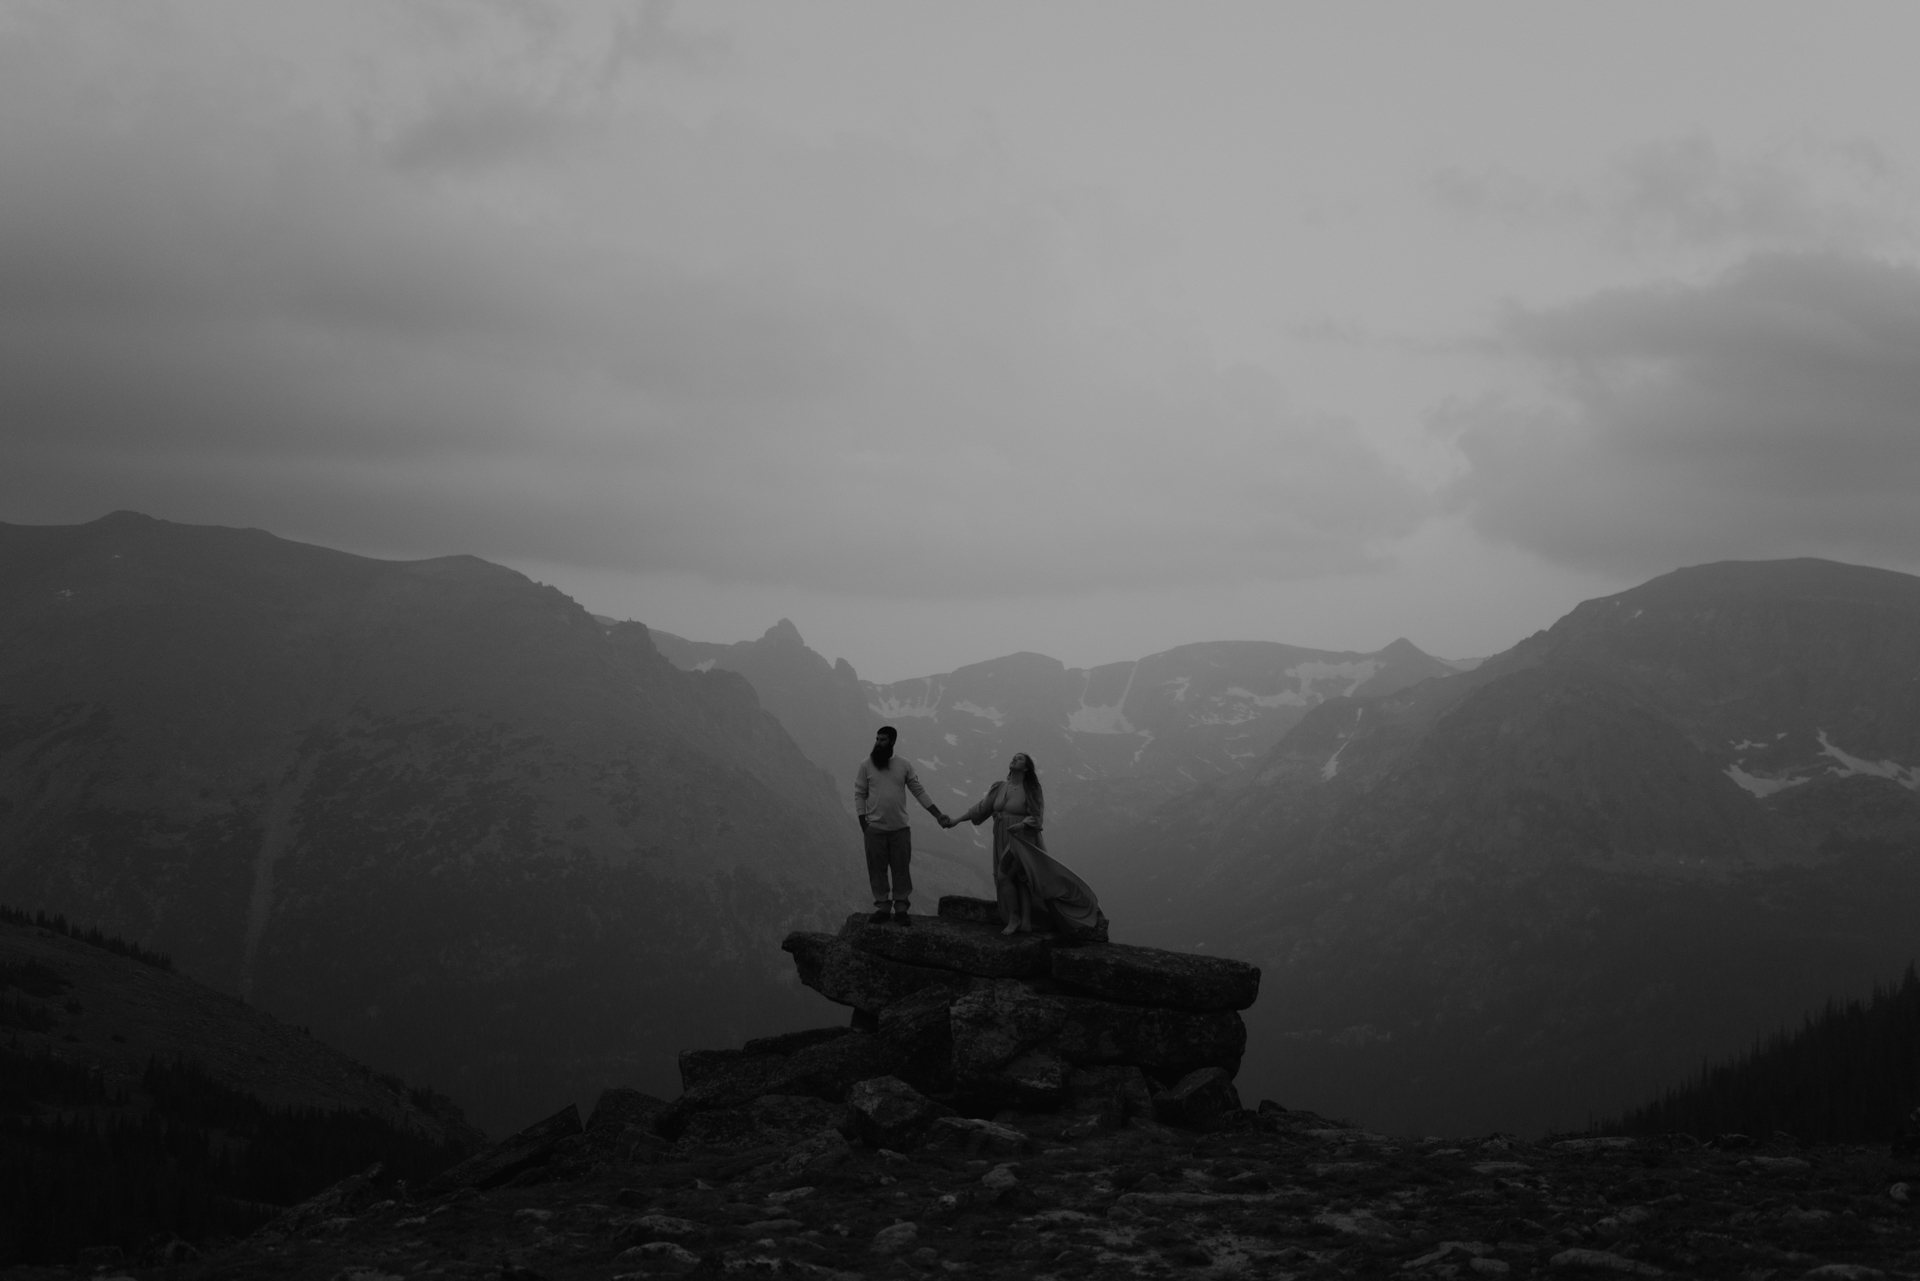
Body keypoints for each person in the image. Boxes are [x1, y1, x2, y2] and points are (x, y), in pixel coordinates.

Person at [945, 753, 1107, 939]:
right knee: (1019, 879)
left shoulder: (1031, 789)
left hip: (1021, 839)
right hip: (1002, 836)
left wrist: (1021, 825)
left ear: (1026, 768)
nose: (1015, 758)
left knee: (1004, 876)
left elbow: (1037, 816)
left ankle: (1014, 918)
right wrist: (956, 820)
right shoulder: (1000, 787)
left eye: (1020, 758)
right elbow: (981, 808)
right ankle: (1026, 922)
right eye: (1014, 757)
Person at [853, 725, 950, 926]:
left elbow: (918, 791)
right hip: (875, 829)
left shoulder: (904, 765)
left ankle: (901, 908)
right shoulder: (866, 765)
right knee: (877, 870)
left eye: (883, 740)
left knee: (901, 869)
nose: (878, 743)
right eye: (877, 739)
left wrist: (938, 815)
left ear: (893, 742)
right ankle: (882, 907)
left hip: (900, 829)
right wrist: (864, 824)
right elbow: (860, 793)